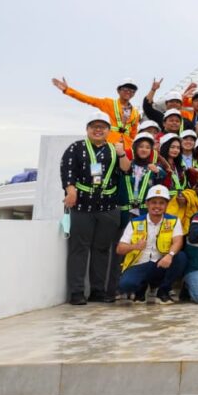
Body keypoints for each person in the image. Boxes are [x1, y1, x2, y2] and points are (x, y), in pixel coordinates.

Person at [60, 111, 131, 305]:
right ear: (87, 129)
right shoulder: (76, 148)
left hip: (108, 207)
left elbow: (126, 169)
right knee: (79, 249)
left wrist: (122, 153)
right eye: (94, 127)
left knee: (102, 250)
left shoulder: (113, 149)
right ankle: (76, 292)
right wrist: (70, 190)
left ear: (109, 131)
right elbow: (67, 170)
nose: (98, 130)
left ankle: (98, 290)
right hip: (82, 205)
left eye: (102, 127)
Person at [116, 184, 187, 304]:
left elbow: (178, 241)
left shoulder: (173, 221)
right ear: (147, 204)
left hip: (161, 264)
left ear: (166, 205)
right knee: (126, 285)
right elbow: (119, 249)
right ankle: (140, 289)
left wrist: (170, 255)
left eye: (161, 203)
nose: (157, 206)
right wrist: (134, 246)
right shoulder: (135, 222)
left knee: (181, 257)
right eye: (154, 202)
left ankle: (163, 291)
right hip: (140, 264)